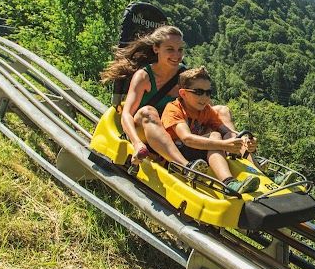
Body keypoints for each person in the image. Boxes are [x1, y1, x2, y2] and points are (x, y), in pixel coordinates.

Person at [100, 25, 239, 167]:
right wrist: (137, 143)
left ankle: (238, 151)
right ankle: (186, 166)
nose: (176, 55)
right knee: (148, 111)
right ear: (156, 49)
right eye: (170, 49)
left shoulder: (184, 76)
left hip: (176, 132)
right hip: (145, 130)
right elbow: (126, 114)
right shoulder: (144, 77)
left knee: (222, 110)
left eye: (180, 50)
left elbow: (201, 105)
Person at [160, 67, 260, 194]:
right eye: (198, 92)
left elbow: (226, 131)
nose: (205, 97)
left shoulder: (206, 110)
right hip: (180, 154)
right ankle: (228, 183)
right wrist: (223, 144)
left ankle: (260, 172)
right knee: (215, 136)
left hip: (199, 151)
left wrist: (245, 141)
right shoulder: (174, 109)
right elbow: (187, 139)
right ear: (183, 93)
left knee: (226, 134)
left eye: (208, 92)